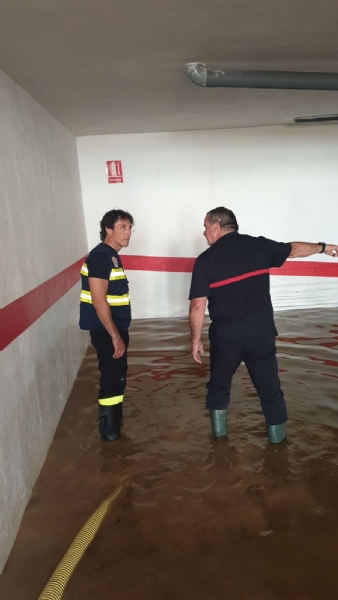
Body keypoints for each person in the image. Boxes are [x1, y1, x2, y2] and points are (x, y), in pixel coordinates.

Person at [189, 207, 338, 444]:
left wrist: (195, 340)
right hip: (261, 335)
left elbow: (198, 307)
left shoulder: (205, 260)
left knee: (218, 390)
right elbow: (294, 249)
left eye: (205, 227)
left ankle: (220, 449)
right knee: (270, 394)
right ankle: (279, 449)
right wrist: (323, 247)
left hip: (226, 338)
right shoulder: (258, 246)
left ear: (216, 226)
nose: (204, 233)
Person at [79, 209, 134, 441]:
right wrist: (114, 336)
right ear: (108, 229)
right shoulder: (101, 256)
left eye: (130, 227)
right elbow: (98, 300)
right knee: (112, 380)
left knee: (118, 376)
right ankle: (110, 438)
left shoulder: (111, 255)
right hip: (107, 332)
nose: (128, 232)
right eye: (122, 227)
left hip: (114, 330)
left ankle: (115, 427)